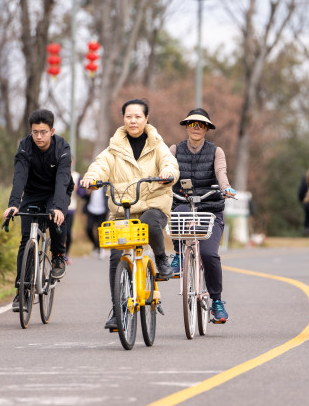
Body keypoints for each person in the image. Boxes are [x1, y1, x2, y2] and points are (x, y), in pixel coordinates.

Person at [79, 98, 179, 330]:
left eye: (138, 117)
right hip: (124, 210)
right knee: (116, 257)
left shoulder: (157, 146)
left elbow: (170, 164)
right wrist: (91, 178)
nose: (133, 121)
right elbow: (99, 165)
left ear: (146, 119)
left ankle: (161, 258)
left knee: (149, 224)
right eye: (128, 117)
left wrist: (167, 173)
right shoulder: (113, 149)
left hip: (154, 204)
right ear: (123, 119)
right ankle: (118, 308)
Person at [168, 108, 236, 323]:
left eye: (200, 125)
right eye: (192, 124)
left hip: (210, 207)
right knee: (178, 214)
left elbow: (221, 173)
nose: (196, 128)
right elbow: (168, 170)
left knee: (209, 254)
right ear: (186, 127)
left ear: (207, 128)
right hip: (183, 202)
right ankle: (179, 254)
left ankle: (216, 301)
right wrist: (163, 180)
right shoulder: (174, 150)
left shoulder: (216, 152)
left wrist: (225, 188)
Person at [3, 109, 74, 312]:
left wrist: (59, 207)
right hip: (33, 192)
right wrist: (14, 203)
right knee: (26, 239)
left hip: (55, 191)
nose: (39, 137)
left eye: (43, 132)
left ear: (52, 131)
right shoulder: (25, 146)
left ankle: (59, 254)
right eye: (35, 132)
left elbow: (62, 180)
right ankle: (22, 289)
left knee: (55, 217)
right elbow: (19, 176)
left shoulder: (62, 147)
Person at [79, 184, 108, 259]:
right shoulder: (91, 185)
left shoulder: (105, 187)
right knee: (88, 228)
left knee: (100, 232)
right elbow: (83, 197)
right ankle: (95, 245)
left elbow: (109, 199)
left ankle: (100, 249)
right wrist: (88, 192)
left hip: (102, 211)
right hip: (91, 210)